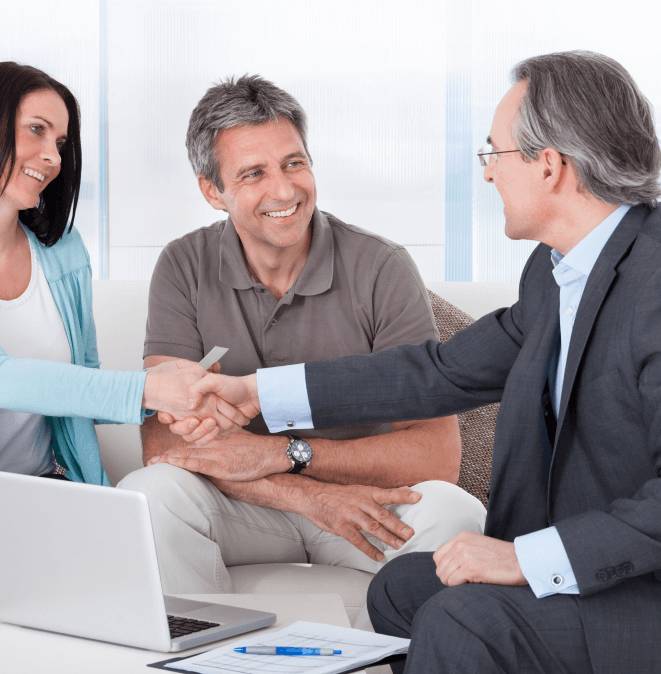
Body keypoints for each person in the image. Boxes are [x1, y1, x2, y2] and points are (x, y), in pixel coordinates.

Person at [184, 52, 661, 672]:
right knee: (404, 590)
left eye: (495, 153)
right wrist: (257, 393)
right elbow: (442, 372)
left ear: (550, 166)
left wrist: (522, 560)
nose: (487, 175)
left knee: (465, 618)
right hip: (627, 579)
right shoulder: (556, 270)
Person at [0, 62, 243, 601]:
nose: (53, 157)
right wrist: (147, 391)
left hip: (37, 492)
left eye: (60, 141)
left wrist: (174, 396)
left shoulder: (61, 251)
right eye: (36, 130)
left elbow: (78, 383)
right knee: (10, 565)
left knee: (135, 544)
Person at [116, 75, 486, 600]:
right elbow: (165, 442)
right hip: (247, 503)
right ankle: (205, 652)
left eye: (294, 163)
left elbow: (438, 453)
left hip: (363, 501)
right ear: (212, 190)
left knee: (458, 513)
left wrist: (292, 455)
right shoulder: (183, 265)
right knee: (148, 495)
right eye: (253, 174)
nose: (285, 190)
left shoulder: (382, 266)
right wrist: (305, 497)